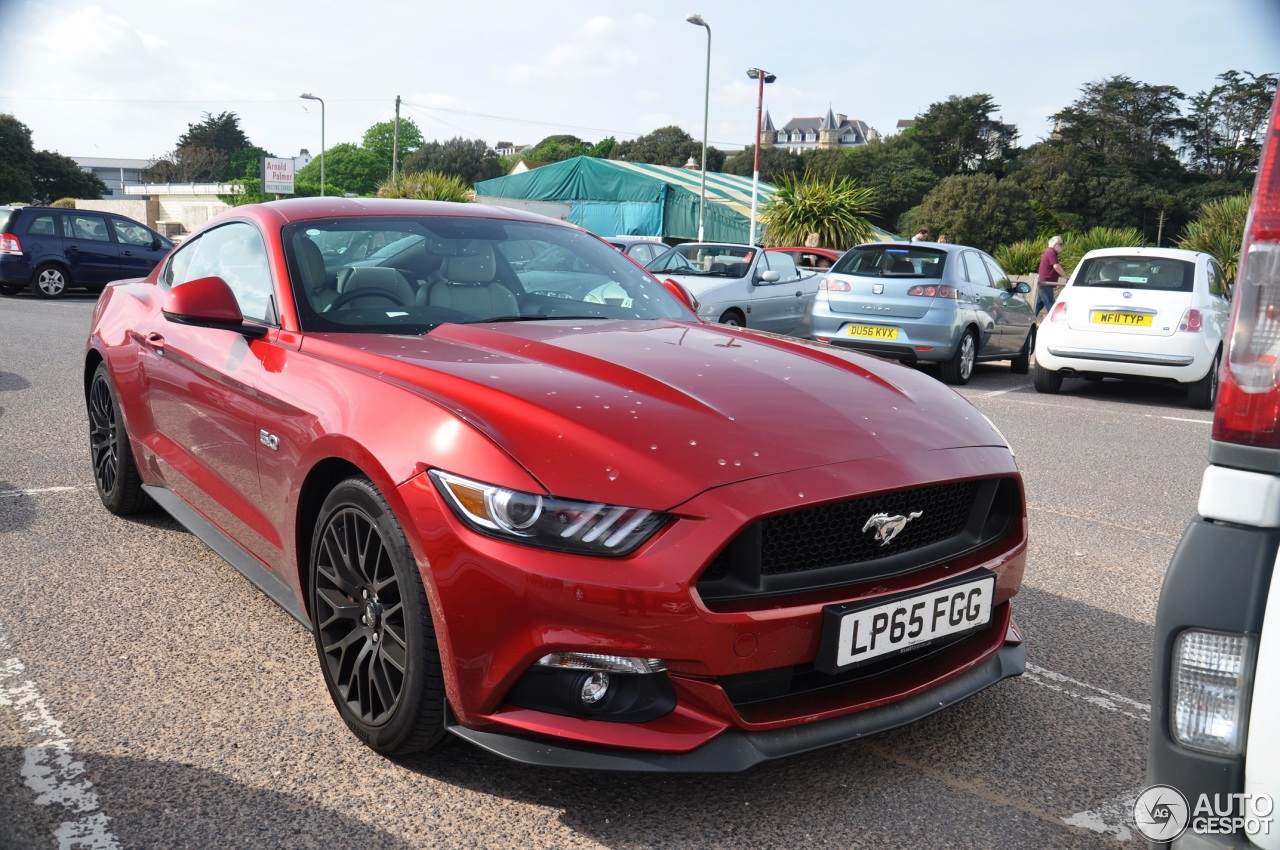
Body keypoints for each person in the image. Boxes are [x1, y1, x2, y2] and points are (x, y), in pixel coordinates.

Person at [1036, 235, 1068, 316]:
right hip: (1046, 283)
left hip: (1044, 282)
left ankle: (1028, 321)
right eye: (1060, 244)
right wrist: (1066, 276)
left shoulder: (1050, 252)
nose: (1062, 246)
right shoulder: (1051, 252)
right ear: (1055, 245)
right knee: (1051, 306)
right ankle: (1057, 324)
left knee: (1038, 306)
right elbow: (1056, 266)